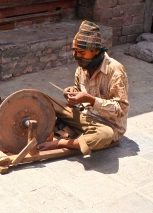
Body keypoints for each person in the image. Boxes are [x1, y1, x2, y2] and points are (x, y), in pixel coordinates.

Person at [37, 20, 129, 156]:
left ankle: (61, 142)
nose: (77, 56)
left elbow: (120, 109)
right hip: (84, 116)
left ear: (96, 51)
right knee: (43, 99)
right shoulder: (82, 67)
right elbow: (78, 91)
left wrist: (91, 100)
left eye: (82, 52)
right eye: (75, 52)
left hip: (106, 125)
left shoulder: (115, 70)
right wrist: (71, 92)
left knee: (105, 136)